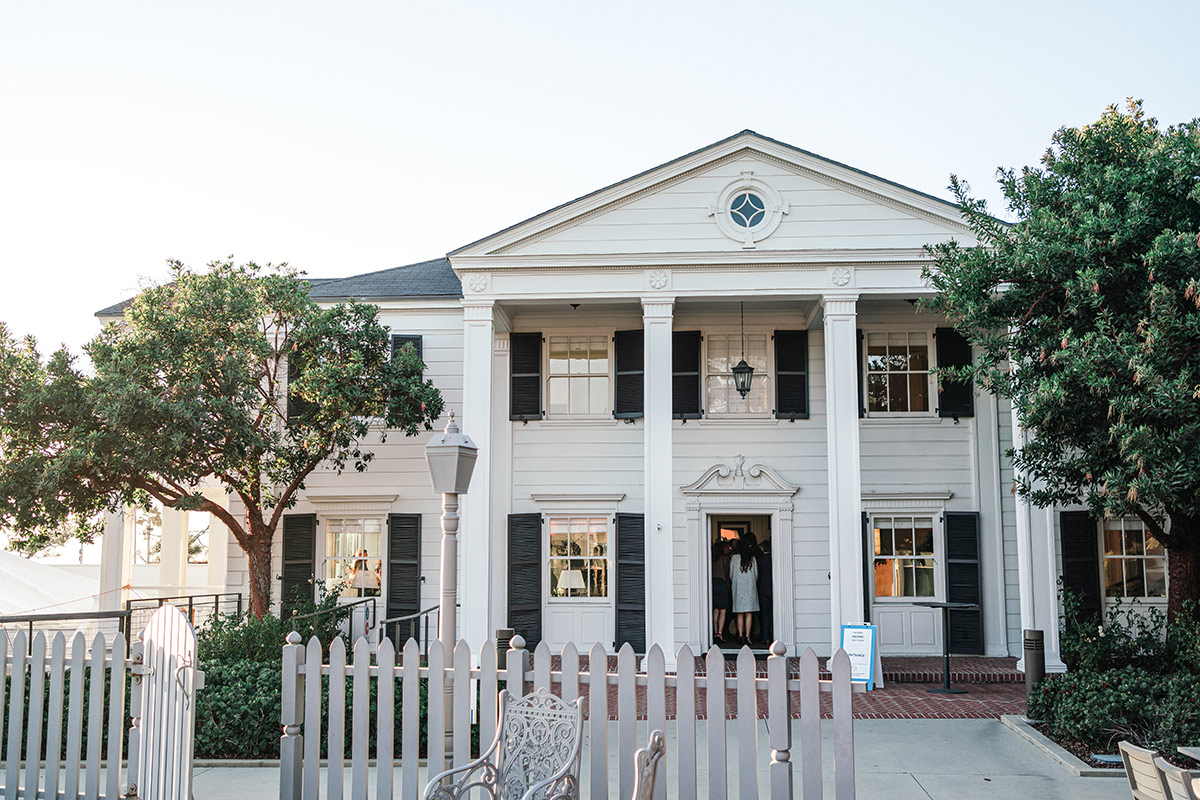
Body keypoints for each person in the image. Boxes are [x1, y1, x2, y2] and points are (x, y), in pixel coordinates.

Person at [729, 534, 760, 646]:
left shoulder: (734, 558)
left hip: (738, 588)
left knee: (740, 613)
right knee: (749, 613)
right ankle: (748, 636)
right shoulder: (752, 559)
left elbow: (731, 574)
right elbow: (756, 575)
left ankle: (740, 636)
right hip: (750, 588)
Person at [711, 539, 732, 645]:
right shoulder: (725, 559)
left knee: (715, 611)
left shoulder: (711, 559)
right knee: (723, 611)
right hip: (722, 584)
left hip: (713, 584)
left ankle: (715, 633)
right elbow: (728, 573)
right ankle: (720, 633)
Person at [756, 539, 773, 643]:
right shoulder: (774, 558)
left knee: (764, 614)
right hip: (773, 589)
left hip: (762, 589)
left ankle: (765, 637)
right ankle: (773, 636)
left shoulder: (759, 559)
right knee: (773, 614)